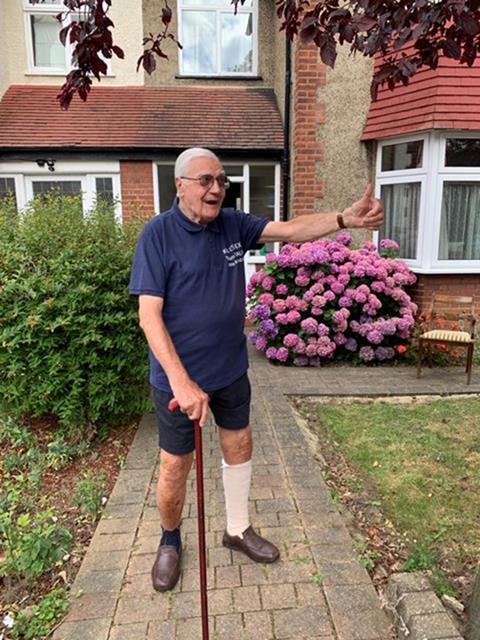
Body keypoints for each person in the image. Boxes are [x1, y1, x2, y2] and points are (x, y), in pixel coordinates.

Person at [129, 147, 384, 592]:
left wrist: (344, 219)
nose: (216, 189)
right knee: (175, 466)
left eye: (222, 181)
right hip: (177, 382)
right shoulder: (158, 235)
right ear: (181, 185)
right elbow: (149, 315)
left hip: (230, 370)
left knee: (240, 446)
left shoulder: (233, 224)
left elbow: (290, 230)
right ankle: (170, 541)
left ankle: (237, 529)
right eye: (206, 180)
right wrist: (181, 380)